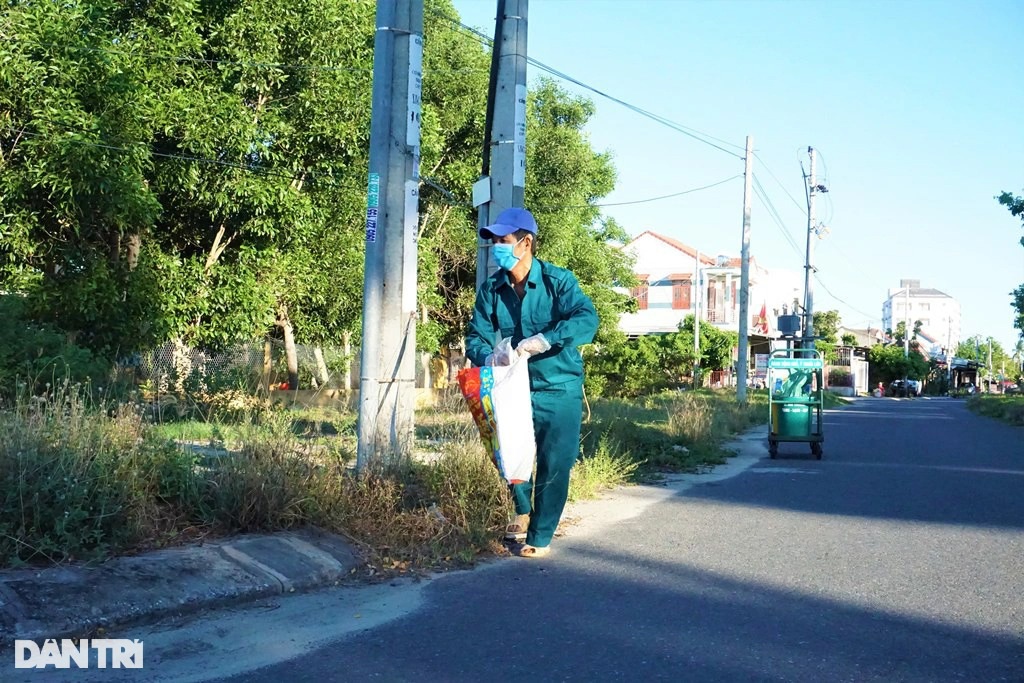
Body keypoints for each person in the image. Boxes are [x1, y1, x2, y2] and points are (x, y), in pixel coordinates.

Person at [465, 207, 598, 559]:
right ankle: (521, 507)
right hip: (512, 389)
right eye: (493, 242)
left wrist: (546, 339)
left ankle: (540, 535)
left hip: (558, 387)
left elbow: (587, 319)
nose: (496, 248)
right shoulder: (491, 289)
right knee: (507, 455)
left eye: (503, 241)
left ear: (525, 243)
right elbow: (475, 336)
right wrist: (489, 355)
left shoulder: (559, 281)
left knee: (555, 461)